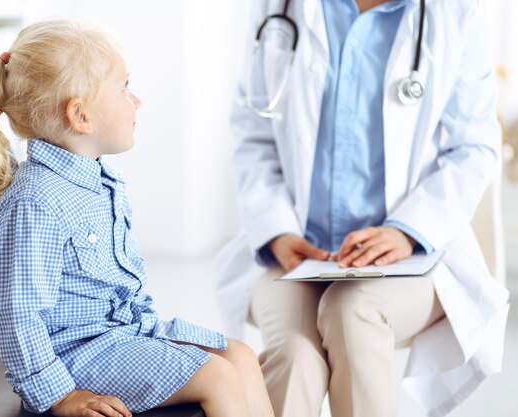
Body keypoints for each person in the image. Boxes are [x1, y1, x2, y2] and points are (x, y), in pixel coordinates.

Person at [0, 20, 274, 417]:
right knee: (219, 376)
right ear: (81, 116)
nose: (137, 100)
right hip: (76, 357)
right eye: (124, 87)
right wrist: (58, 395)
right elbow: (18, 317)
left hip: (124, 333)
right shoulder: (35, 203)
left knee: (242, 356)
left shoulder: (98, 179)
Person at [216, 1, 510, 416]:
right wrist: (277, 230)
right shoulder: (279, 7)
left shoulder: (455, 11)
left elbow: (474, 149)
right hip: (297, 254)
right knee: (295, 354)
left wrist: (407, 230)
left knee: (353, 310)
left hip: (415, 257)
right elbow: (254, 134)